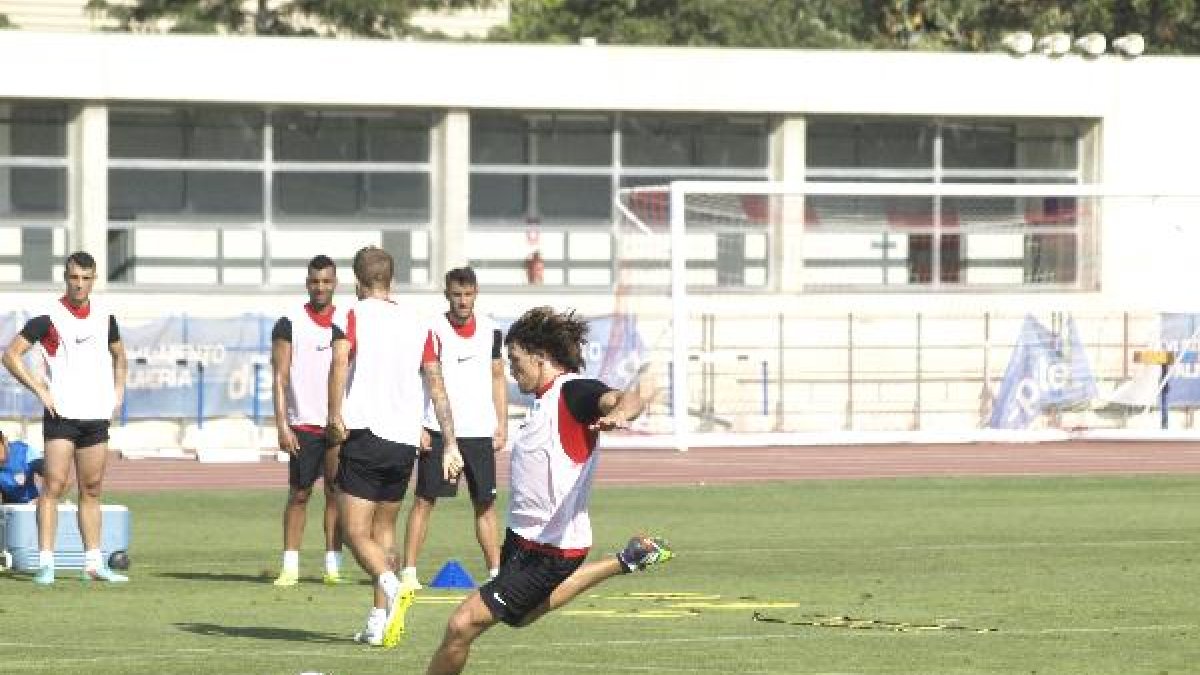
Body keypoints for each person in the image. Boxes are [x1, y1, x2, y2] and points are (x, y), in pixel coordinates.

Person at [425, 306, 673, 675]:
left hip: (550, 549)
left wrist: (622, 412)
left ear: (540, 358)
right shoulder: (542, 400)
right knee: (518, 618)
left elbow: (625, 396)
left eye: (516, 360)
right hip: (523, 540)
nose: (511, 369)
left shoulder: (572, 391)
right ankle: (628, 559)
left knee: (461, 625)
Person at [327, 246, 465, 649]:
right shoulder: (419, 322)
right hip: (406, 441)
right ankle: (379, 619)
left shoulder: (351, 314)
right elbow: (436, 385)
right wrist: (450, 442)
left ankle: (392, 583)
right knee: (382, 530)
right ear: (391, 280)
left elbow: (339, 362)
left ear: (357, 282)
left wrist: (335, 414)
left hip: (366, 432)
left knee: (352, 532)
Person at [1, 251, 128, 584]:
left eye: (86, 278)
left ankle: (93, 564)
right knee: (54, 485)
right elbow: (11, 356)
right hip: (62, 415)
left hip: (95, 417)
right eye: (74, 277)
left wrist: (117, 394)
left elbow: (120, 357)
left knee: (92, 488)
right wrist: (40, 391)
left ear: (94, 280)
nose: (80, 284)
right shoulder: (48, 316)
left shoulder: (105, 316)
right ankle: (46, 563)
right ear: (66, 277)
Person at [401, 267, 506, 588]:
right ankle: (408, 573)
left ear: (476, 294)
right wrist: (417, 425)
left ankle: (496, 574)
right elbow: (419, 379)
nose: (463, 301)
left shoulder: (491, 330)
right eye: (457, 295)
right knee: (424, 500)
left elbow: (497, 376)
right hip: (436, 430)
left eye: (468, 294)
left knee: (485, 504)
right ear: (447, 295)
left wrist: (501, 423)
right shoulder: (430, 329)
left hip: (479, 432)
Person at [270, 254, 346, 586]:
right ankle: (290, 565)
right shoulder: (289, 322)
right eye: (315, 282)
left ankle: (332, 566)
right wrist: (282, 425)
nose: (320, 288)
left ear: (335, 284)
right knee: (300, 494)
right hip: (302, 424)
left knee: (336, 492)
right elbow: (279, 377)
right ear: (307, 284)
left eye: (326, 281)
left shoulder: (346, 321)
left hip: (338, 424)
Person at [0, 429, 44, 504]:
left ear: (4, 441)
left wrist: (44, 498)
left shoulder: (25, 452)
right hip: (10, 510)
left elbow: (52, 476)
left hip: (33, 506)